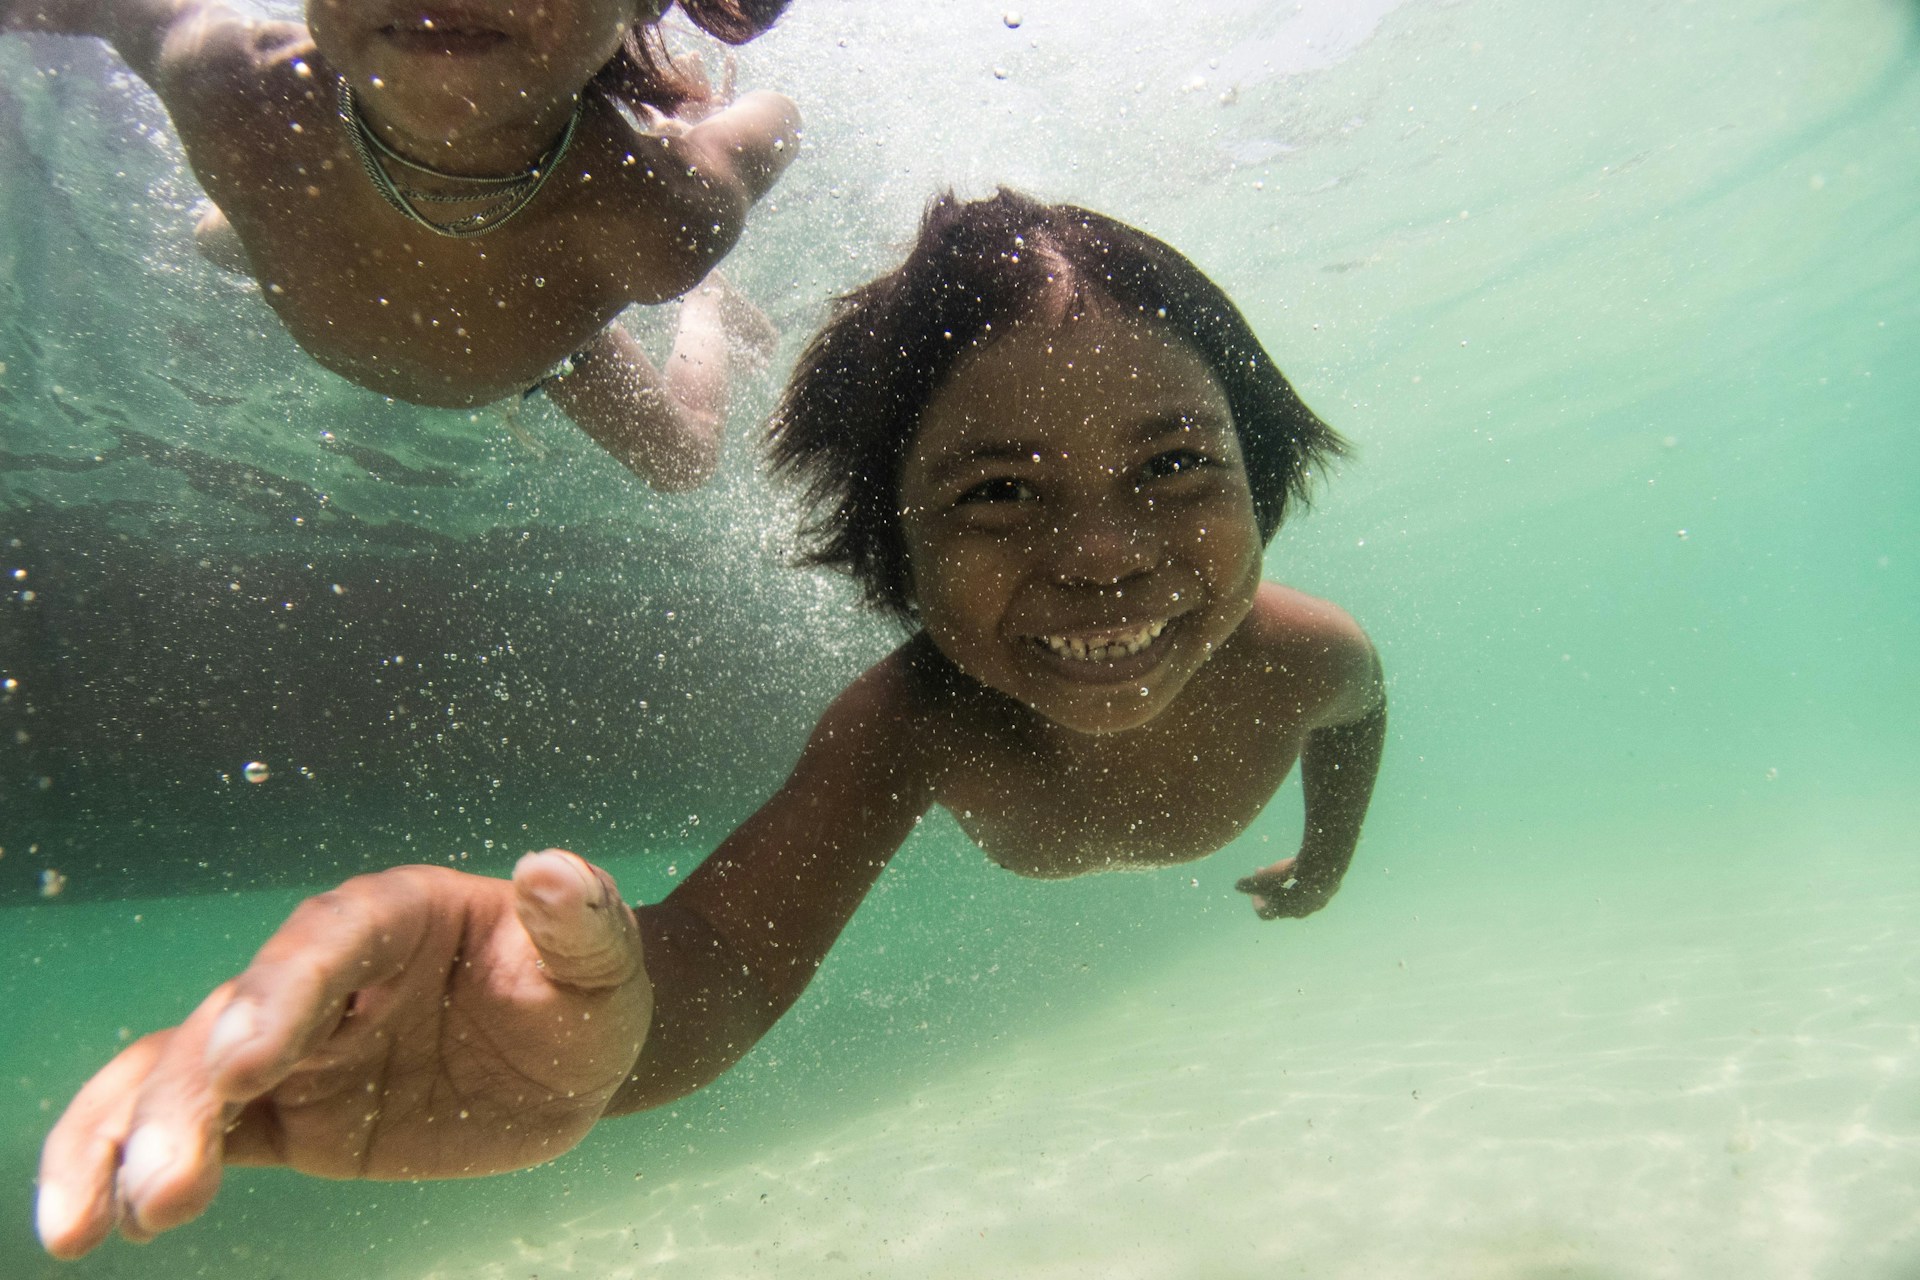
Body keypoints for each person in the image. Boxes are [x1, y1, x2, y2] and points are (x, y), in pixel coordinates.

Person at [33, 189, 1387, 1258]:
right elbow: (726, 961)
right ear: (890, 552)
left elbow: (1360, 716)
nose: (1102, 554)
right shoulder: (912, 724)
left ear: (1265, 482)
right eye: (995, 493)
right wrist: (589, 1032)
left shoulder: (1309, 654)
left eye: (1172, 464)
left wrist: (1328, 862)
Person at [1, 0, 801, 489]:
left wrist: (690, 135)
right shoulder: (230, 80)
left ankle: (709, 308)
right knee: (214, 234)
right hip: (290, 222)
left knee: (683, 461)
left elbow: (775, 120)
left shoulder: (656, 218)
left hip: (555, 346)